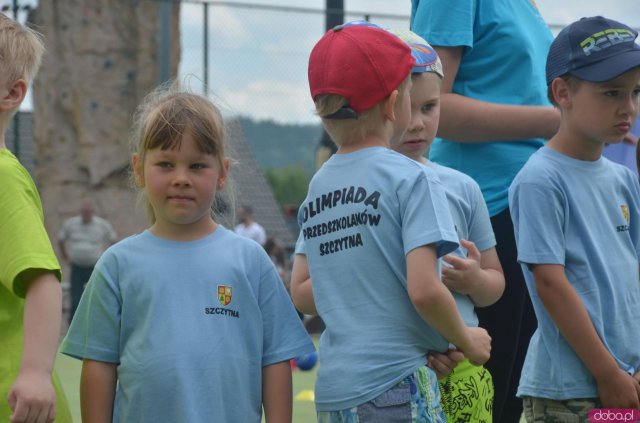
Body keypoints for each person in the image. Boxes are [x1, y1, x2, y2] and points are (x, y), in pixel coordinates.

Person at [59, 85, 315, 423]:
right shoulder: (117, 265)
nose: (181, 178)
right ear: (138, 168)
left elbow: (275, 361)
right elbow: (99, 367)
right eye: (165, 164)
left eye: (197, 166)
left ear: (222, 173)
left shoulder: (251, 261)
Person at [291, 21, 491, 421]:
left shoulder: (318, 186)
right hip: (396, 383)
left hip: (333, 391)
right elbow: (425, 291)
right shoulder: (415, 178)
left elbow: (301, 289)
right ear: (391, 104)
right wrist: (465, 339)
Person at [410, 1, 561, 420]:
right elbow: (432, 103)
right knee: (483, 400)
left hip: (527, 209)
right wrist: (564, 122)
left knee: (510, 399)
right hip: (481, 214)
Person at [509, 16, 640, 418]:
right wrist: (608, 373)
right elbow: (549, 282)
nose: (629, 107)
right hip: (573, 394)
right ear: (562, 92)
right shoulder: (539, 179)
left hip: (625, 380)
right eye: (612, 93)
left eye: (636, 92)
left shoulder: (623, 179)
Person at [388, 29, 505, 421]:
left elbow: (495, 283)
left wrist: (475, 281)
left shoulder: (462, 187)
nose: (417, 123)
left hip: (461, 371)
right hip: (393, 374)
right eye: (405, 107)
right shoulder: (364, 191)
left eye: (430, 107)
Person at [0, 13, 73, 423]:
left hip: (17, 406)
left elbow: (43, 280)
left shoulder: (2, 177)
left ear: (12, 93)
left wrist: (34, 373)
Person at [58, 200, 117, 324]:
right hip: (77, 267)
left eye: (88, 212)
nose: (86, 214)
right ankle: (73, 326)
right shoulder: (71, 224)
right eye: (84, 212)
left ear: (93, 212)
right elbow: (61, 240)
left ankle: (95, 324)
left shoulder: (102, 225)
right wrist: (66, 257)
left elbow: (113, 240)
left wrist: (105, 258)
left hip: (94, 267)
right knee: (75, 298)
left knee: (96, 297)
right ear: (80, 212)